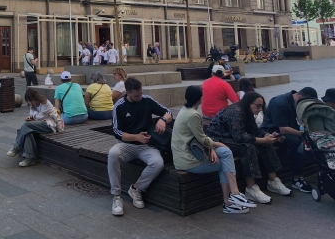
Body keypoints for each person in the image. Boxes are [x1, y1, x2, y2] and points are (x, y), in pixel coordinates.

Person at [172, 86, 256, 214]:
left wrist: (211, 148)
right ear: (200, 98)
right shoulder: (193, 115)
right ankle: (229, 201)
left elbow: (199, 138)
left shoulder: (185, 110)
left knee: (226, 153)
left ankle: (234, 194)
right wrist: (218, 144)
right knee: (225, 163)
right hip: (188, 159)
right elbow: (202, 138)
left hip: (191, 152)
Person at [206, 92, 292, 203]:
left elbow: (254, 130)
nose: (260, 109)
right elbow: (239, 137)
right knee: (247, 147)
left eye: (262, 107)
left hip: (231, 138)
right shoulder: (236, 111)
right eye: (258, 106)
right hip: (217, 140)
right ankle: (251, 188)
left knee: (265, 143)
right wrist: (263, 139)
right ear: (249, 103)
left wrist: (268, 136)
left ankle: (273, 181)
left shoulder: (247, 110)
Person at [108, 77, 172, 215]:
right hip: (126, 144)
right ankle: (117, 196)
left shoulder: (147, 100)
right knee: (113, 154)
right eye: (137, 95)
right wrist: (136, 137)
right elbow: (117, 132)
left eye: (141, 93)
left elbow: (168, 112)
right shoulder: (119, 106)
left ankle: (137, 188)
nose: (140, 97)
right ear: (128, 93)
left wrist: (162, 119)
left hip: (147, 145)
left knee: (158, 163)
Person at [260, 87, 319, 193]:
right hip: (273, 132)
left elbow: (302, 123)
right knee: (295, 142)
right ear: (299, 97)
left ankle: (323, 170)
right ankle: (297, 178)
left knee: (317, 138)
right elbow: (284, 129)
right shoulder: (279, 103)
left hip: (293, 130)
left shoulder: (300, 103)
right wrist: (305, 135)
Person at [7, 89, 63, 167]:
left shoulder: (45, 103)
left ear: (34, 98)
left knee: (26, 125)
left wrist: (34, 113)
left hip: (49, 125)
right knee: (28, 133)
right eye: (28, 102)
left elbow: (39, 117)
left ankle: (16, 147)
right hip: (40, 124)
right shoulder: (33, 105)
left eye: (30, 101)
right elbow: (33, 114)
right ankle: (30, 159)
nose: (29, 103)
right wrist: (32, 116)